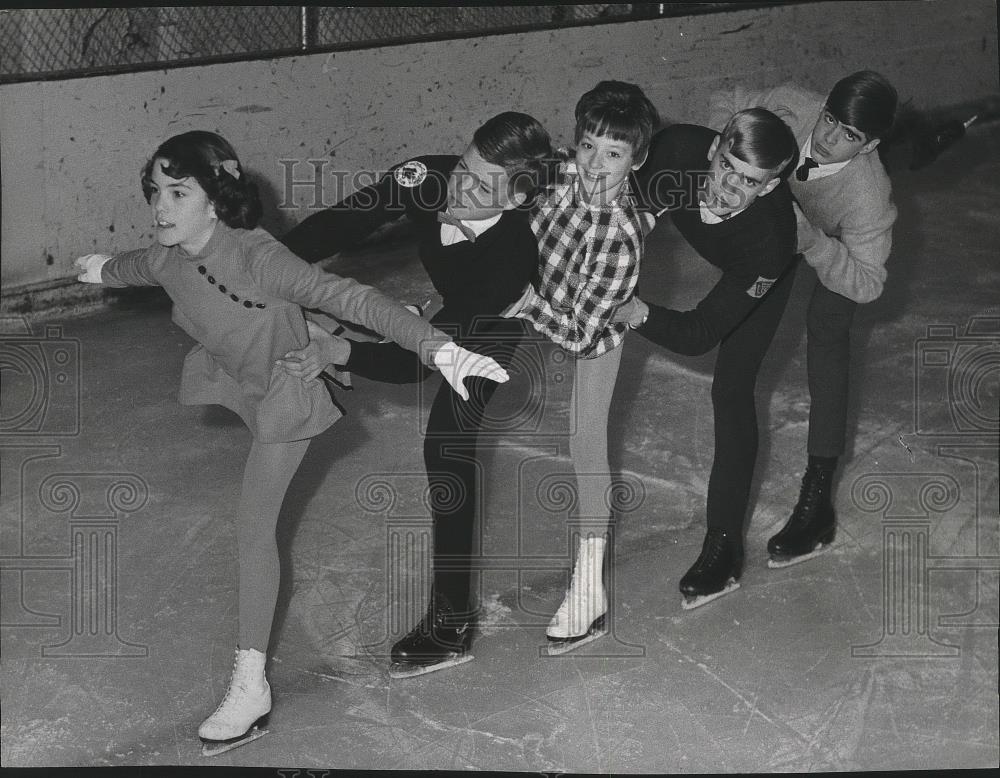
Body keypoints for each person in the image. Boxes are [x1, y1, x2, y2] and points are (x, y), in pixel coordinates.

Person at [73, 131, 509, 754]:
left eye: (177, 191)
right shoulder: (169, 256)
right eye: (154, 192)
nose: (160, 207)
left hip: (283, 389)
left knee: (255, 531)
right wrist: (97, 269)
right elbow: (138, 265)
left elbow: (352, 295)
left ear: (216, 197)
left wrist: (438, 348)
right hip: (241, 373)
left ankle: (250, 687)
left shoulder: (259, 258)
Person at [277, 112, 552, 677]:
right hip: (452, 305)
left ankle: (451, 622)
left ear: (517, 199)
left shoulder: (512, 254)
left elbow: (422, 359)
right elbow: (341, 224)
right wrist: (269, 265)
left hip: (495, 320)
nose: (458, 187)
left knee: (447, 444)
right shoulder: (428, 176)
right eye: (465, 166)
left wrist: (343, 352)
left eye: (480, 186)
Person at [706, 71, 898, 568]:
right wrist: (719, 149)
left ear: (870, 143)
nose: (829, 137)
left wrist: (813, 242)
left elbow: (868, 281)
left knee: (829, 329)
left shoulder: (869, 196)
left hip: (833, 247)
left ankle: (818, 499)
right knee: (751, 324)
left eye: (849, 136)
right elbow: (727, 94)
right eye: (830, 120)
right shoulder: (794, 104)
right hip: (777, 222)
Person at [618, 108, 799, 608]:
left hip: (759, 267)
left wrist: (634, 311)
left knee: (733, 388)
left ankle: (725, 546)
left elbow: (698, 334)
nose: (727, 188)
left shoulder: (771, 244)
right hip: (718, 234)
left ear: (768, 186)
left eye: (748, 181)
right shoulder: (676, 152)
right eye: (725, 167)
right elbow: (621, 215)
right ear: (712, 149)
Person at [503, 80, 660, 652]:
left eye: (614, 154)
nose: (596, 164)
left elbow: (577, 335)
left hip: (588, 326)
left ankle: (588, 588)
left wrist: (522, 302)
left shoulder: (621, 242)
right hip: (533, 294)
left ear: (636, 159)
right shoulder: (560, 172)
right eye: (589, 145)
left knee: (585, 442)